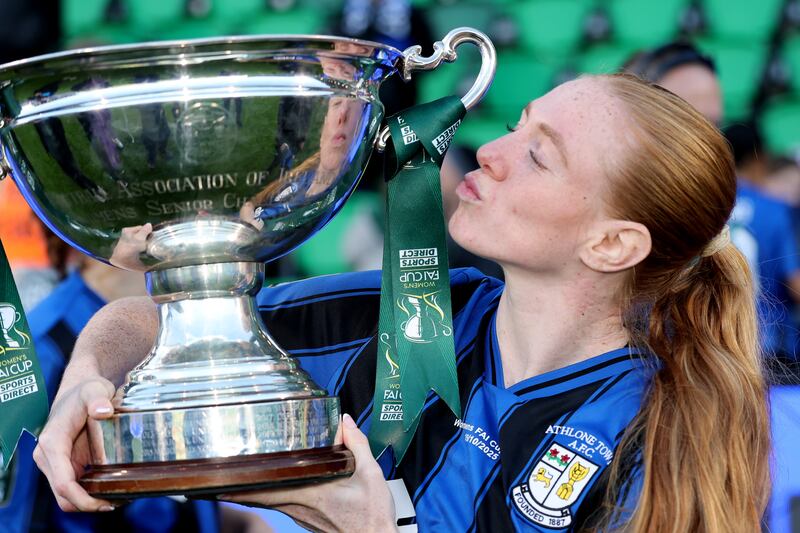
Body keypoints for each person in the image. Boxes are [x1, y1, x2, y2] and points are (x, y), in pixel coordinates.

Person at [31, 74, 769, 532]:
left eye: (540, 155)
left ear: (613, 244)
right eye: (518, 125)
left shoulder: (654, 434)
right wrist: (88, 379)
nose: (490, 152)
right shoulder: (415, 315)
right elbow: (155, 321)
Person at [0, 243, 271, 532]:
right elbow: (15, 519)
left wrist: (236, 523)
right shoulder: (40, 352)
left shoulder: (186, 324)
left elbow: (170, 497)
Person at [624, 42, 800, 366]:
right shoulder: (768, 207)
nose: (705, 137)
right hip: (746, 369)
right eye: (690, 121)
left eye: (711, 125)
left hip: (693, 374)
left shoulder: (632, 208)